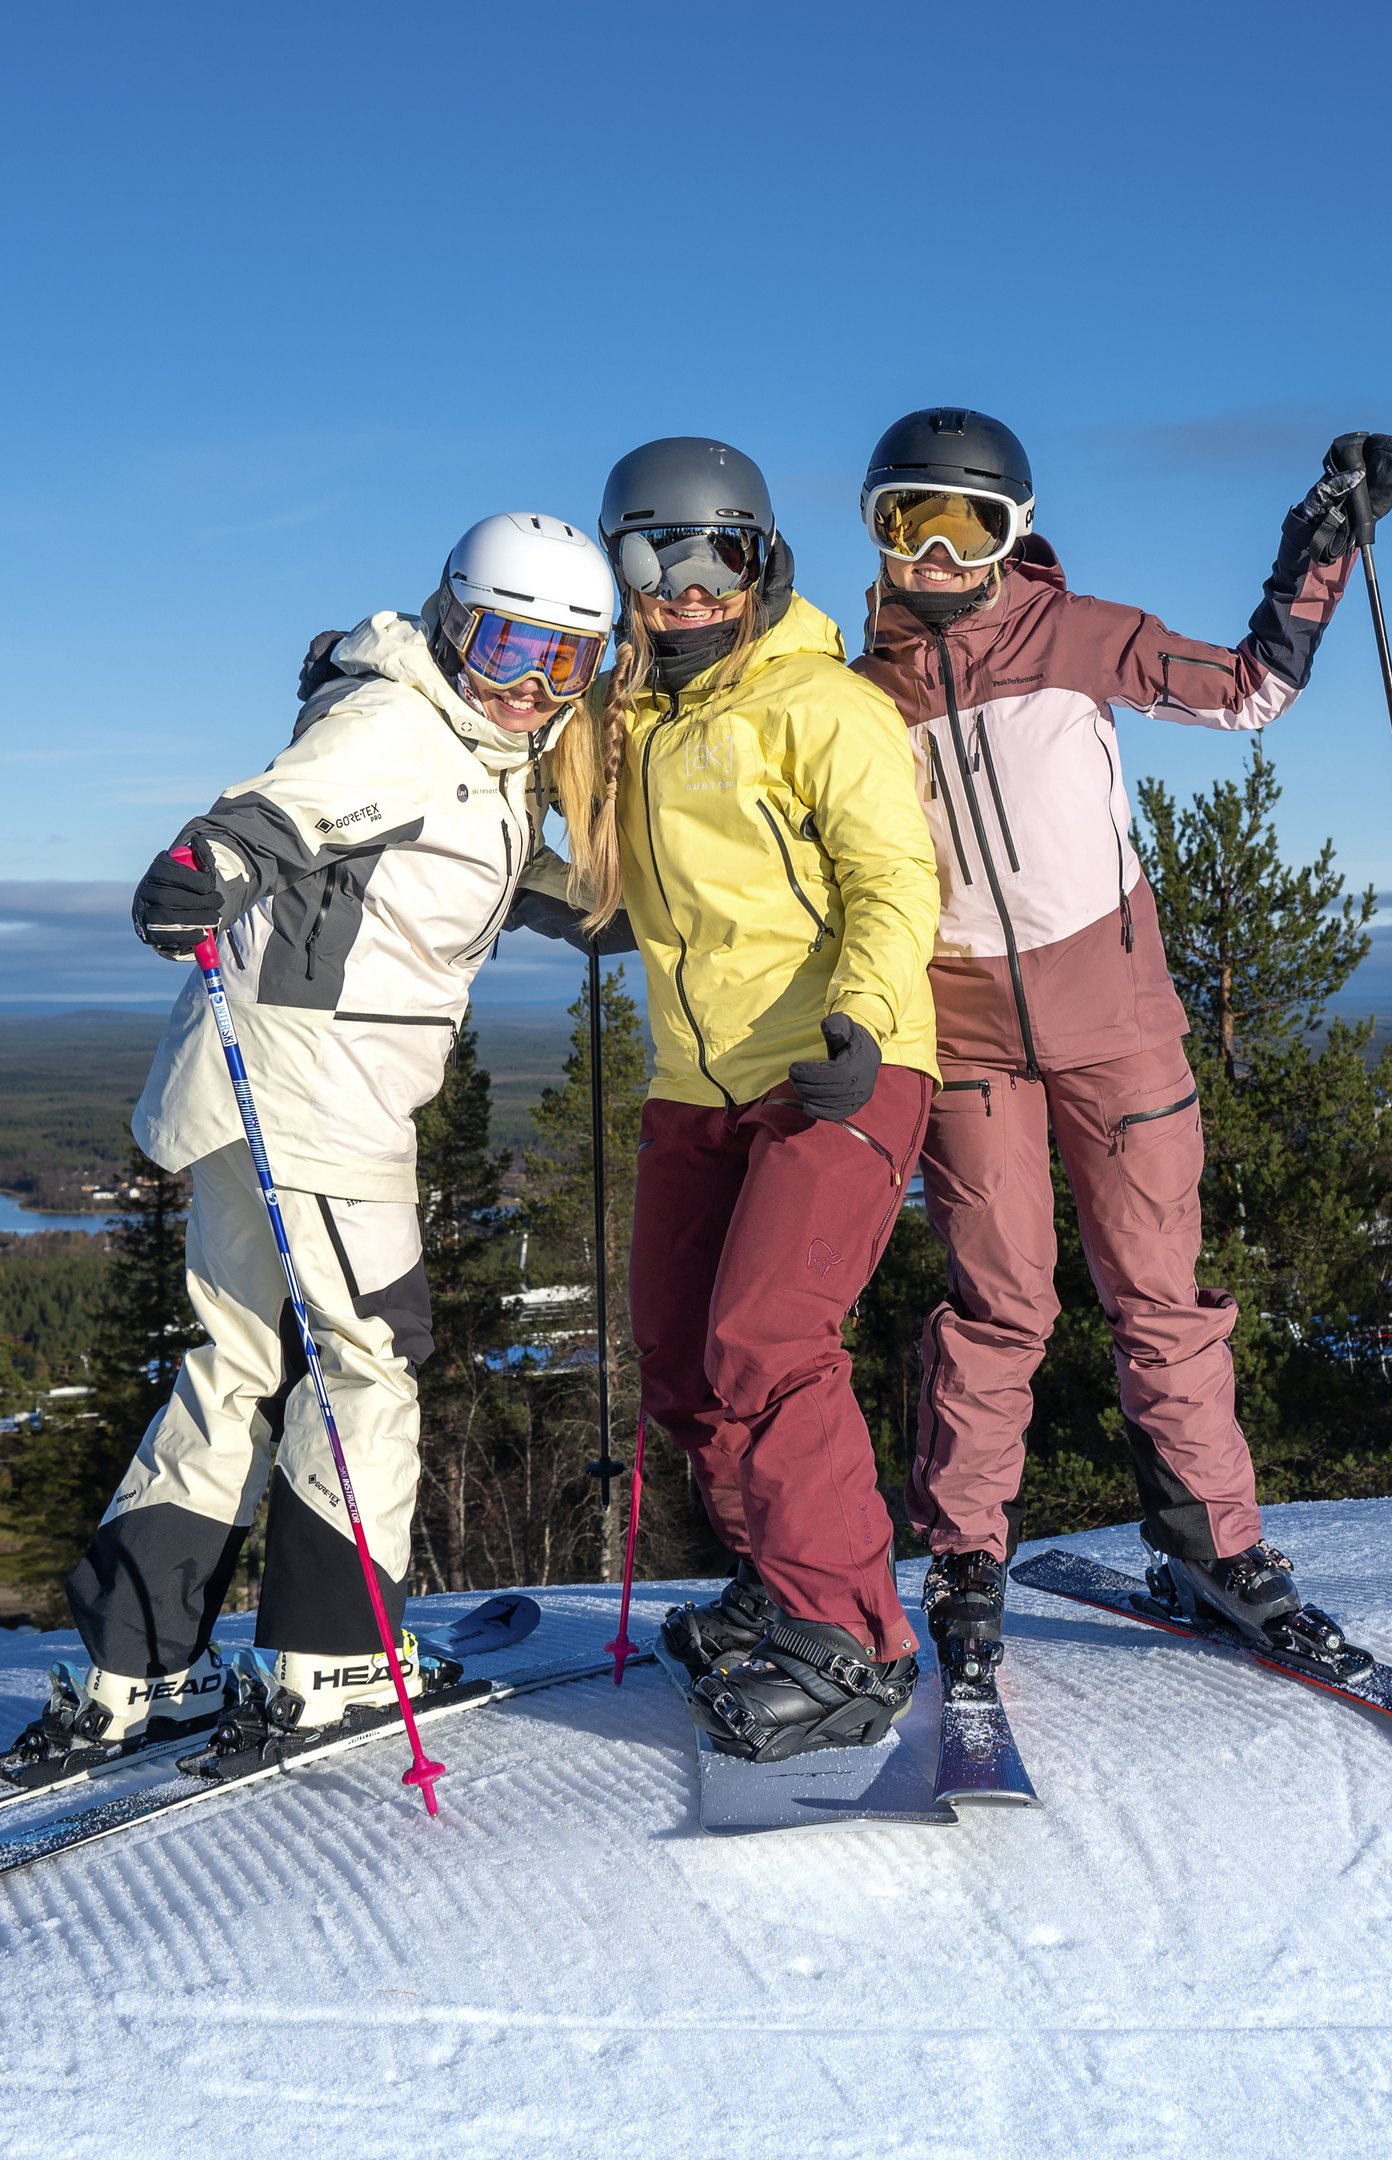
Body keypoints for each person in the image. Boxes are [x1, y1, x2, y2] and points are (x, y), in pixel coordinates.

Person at [0, 512, 621, 1787]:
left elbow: (427, 856)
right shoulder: (395, 722)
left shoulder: (467, 742)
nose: (526, 687)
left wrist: (592, 911)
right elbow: (274, 818)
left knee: (239, 1365)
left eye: (563, 663)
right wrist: (195, 869)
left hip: (251, 1089)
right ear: (452, 618)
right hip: (317, 1100)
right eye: (505, 645)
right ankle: (332, 1661)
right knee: (368, 1359)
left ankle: (141, 1673)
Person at [846, 408, 1392, 1668]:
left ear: (1014, 534)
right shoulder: (850, 697)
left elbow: (1253, 692)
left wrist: (1321, 542)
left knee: (1160, 1299)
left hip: (1119, 1025)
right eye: (907, 522)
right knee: (998, 1307)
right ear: (874, 534)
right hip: (966, 1036)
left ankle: (1215, 1548)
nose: (937, 555)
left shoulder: (1079, 636)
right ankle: (962, 1559)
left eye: (968, 525)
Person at [566, 436, 945, 1763]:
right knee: (680, 1359)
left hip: (838, 1067)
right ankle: (778, 1582)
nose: (681, 591)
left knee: (765, 1344)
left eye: (711, 556)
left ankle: (851, 1642)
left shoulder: (820, 705)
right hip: (696, 1080)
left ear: (761, 558)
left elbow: (891, 874)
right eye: (646, 559)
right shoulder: (630, 720)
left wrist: (862, 1017)